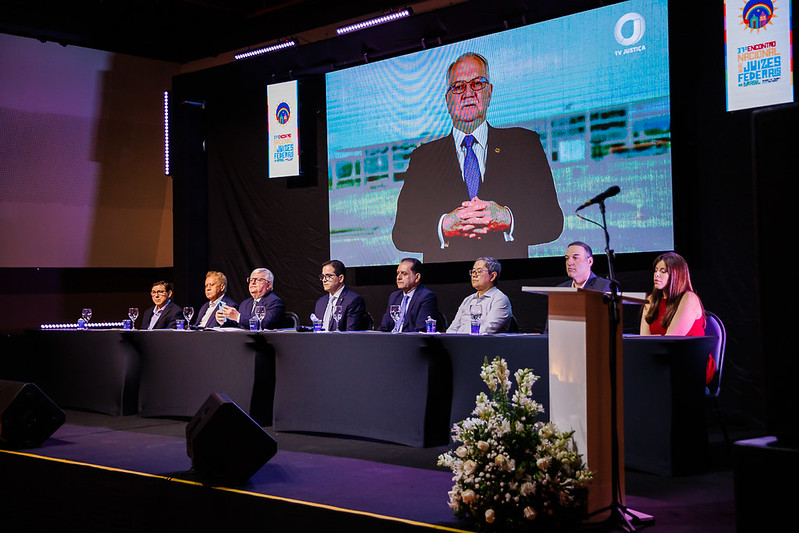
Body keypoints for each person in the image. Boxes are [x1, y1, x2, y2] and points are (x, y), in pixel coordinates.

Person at [392, 52, 563, 263]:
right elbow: (401, 234)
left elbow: (553, 223)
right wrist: (444, 225)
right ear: (447, 100)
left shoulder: (524, 144)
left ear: (489, 92)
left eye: (477, 83)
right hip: (447, 286)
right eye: (458, 86)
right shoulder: (423, 158)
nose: (468, 93)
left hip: (507, 284)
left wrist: (507, 218)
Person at [640, 252, 715, 384]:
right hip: (661, 360)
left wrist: (654, 340)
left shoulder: (688, 298)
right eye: (656, 270)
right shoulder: (652, 300)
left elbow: (670, 341)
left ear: (676, 275)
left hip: (691, 362)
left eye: (663, 271)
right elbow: (643, 341)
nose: (657, 274)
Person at [447, 257, 512, 334]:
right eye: (473, 271)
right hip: (461, 343)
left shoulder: (499, 299)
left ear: (492, 276)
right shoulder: (468, 300)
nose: (474, 275)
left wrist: (461, 332)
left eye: (479, 271)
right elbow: (451, 329)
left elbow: (487, 330)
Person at [379, 258, 441, 332]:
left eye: (404, 274)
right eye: (398, 273)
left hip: (410, 342)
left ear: (417, 277)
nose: (398, 277)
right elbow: (384, 327)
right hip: (391, 341)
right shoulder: (394, 296)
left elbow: (421, 330)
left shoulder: (426, 297)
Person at [216, 268, 286, 330]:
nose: (253, 282)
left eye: (258, 279)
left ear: (269, 285)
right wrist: (224, 321)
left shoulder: (275, 302)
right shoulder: (245, 303)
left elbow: (264, 324)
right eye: (251, 279)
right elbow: (238, 324)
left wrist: (238, 316)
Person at [314, 259, 366, 331]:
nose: (324, 280)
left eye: (328, 276)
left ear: (341, 278)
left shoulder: (353, 300)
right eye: (322, 277)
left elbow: (350, 333)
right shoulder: (321, 302)